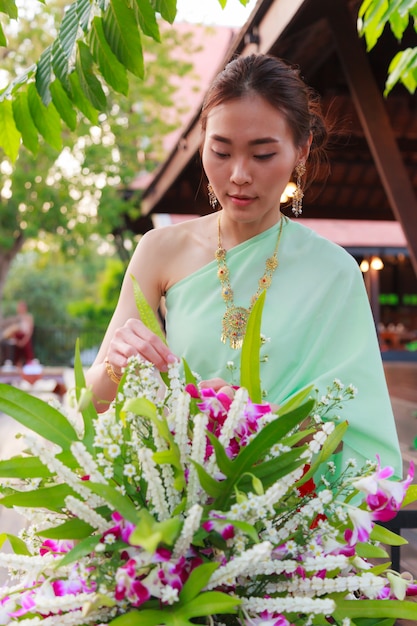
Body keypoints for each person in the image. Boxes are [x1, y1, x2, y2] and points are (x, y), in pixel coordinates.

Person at [86, 54, 402, 478]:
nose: (238, 174)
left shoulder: (335, 273)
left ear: (301, 150)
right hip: (175, 515)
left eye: (263, 154)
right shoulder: (160, 250)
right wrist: (116, 365)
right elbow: (92, 407)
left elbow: (355, 438)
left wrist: (251, 421)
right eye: (220, 150)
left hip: (288, 519)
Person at [1, 301, 34, 367]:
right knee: (17, 359)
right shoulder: (15, 318)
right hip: (17, 339)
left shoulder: (28, 317)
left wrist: (24, 341)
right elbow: (12, 330)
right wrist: (17, 341)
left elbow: (30, 331)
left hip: (25, 339)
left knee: (28, 358)